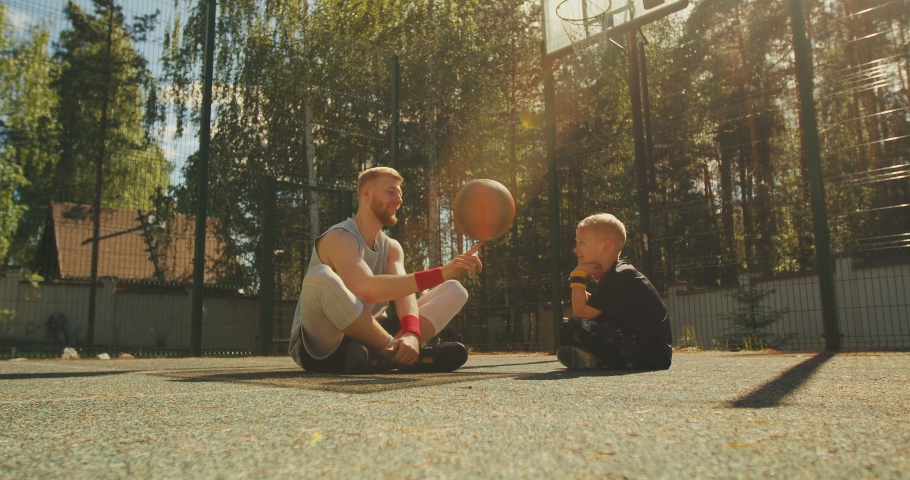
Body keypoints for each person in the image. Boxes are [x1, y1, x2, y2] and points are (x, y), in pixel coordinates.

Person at [288, 167, 483, 374]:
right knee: (319, 277)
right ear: (366, 193)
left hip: (372, 337)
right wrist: (441, 272)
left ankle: (393, 354)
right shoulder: (339, 237)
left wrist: (411, 333)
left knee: (455, 290)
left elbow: (404, 293)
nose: (398, 200)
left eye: (400, 194)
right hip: (325, 345)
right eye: (390, 192)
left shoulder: (391, 247)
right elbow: (367, 289)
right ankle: (396, 354)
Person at [557, 213, 672, 371]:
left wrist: (578, 275)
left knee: (572, 328)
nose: (575, 249)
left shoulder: (621, 276)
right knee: (569, 330)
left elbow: (580, 313)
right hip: (642, 348)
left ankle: (598, 360)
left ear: (605, 246)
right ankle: (596, 360)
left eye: (581, 243)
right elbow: (591, 308)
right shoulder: (615, 274)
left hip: (650, 354)